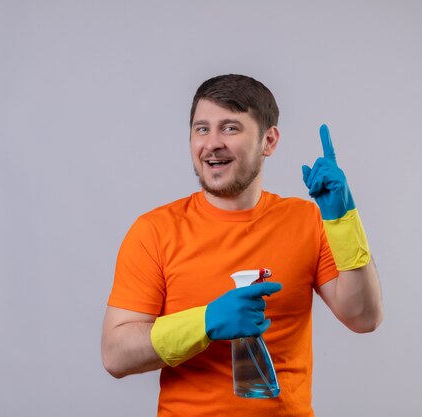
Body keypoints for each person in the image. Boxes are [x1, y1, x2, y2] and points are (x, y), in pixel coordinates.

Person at [101, 74, 383, 416]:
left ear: (269, 140)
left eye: (230, 128)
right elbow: (115, 354)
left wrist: (343, 220)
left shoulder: (307, 220)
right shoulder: (154, 232)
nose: (212, 143)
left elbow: (363, 317)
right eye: (202, 129)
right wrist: (205, 323)